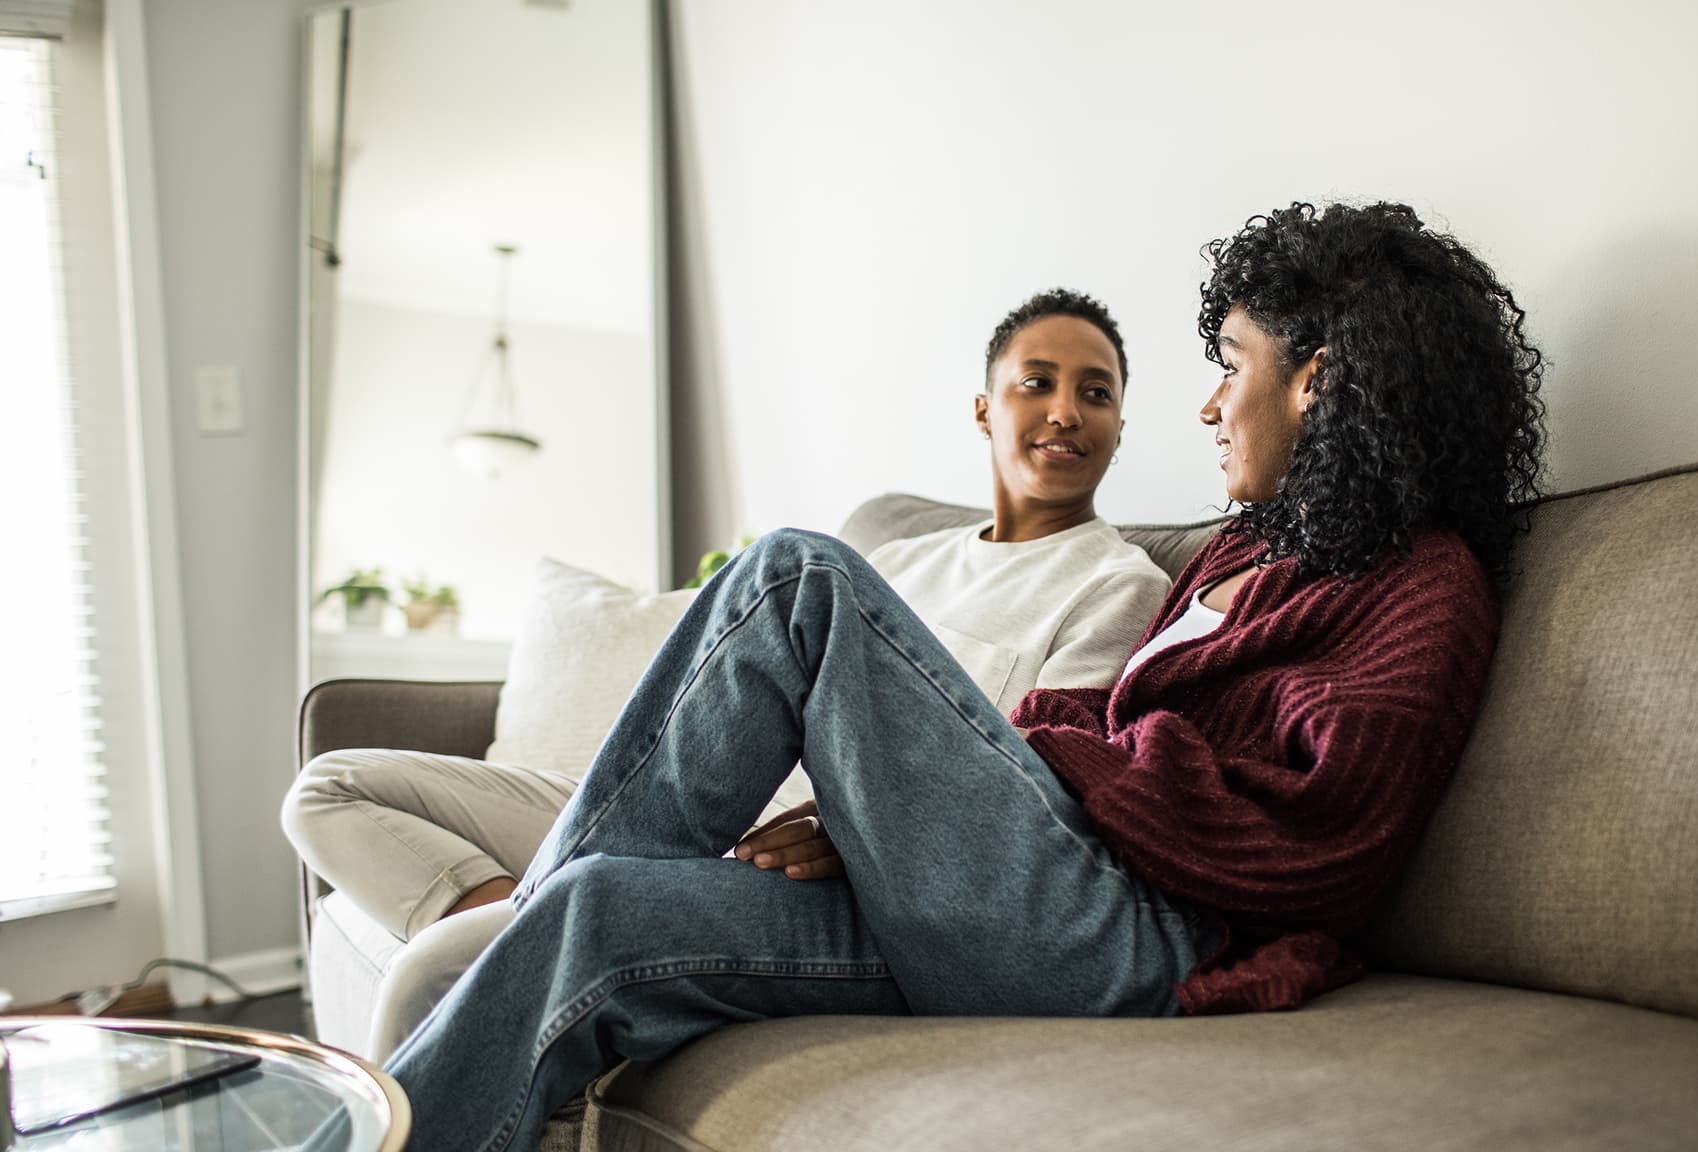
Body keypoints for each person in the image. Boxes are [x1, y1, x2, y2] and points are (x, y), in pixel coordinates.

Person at [380, 202, 1549, 1152]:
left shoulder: (1423, 588)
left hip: (1136, 942)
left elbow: (1312, 840)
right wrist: (897, 814)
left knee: (796, 578)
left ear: (1320, 380)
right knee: (601, 917)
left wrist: (1001, 773)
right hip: (1043, 898)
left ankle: (487, 946)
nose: (1206, 402)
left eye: (1230, 364)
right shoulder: (1251, 548)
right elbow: (1091, 735)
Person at [281, 289, 1170, 1060]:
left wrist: (862, 821)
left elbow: (1023, 792)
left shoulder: (1118, 583)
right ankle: (531, 910)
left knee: (427, 973)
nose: (1066, 411)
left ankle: (531, 924)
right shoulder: (900, 558)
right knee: (331, 787)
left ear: (1120, 429)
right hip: (703, 796)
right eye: (1037, 383)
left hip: (805, 863)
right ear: (984, 410)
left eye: (1097, 394)